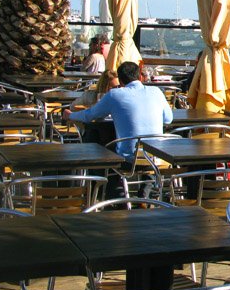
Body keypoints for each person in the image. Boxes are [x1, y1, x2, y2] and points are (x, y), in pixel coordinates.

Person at [65, 61, 173, 199]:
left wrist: (70, 115)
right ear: (140, 77)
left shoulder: (115, 95)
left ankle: (115, 195)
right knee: (146, 149)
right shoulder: (156, 91)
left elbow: (90, 115)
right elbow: (168, 119)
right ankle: (144, 195)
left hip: (129, 159)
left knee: (100, 144)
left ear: (121, 80)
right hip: (157, 157)